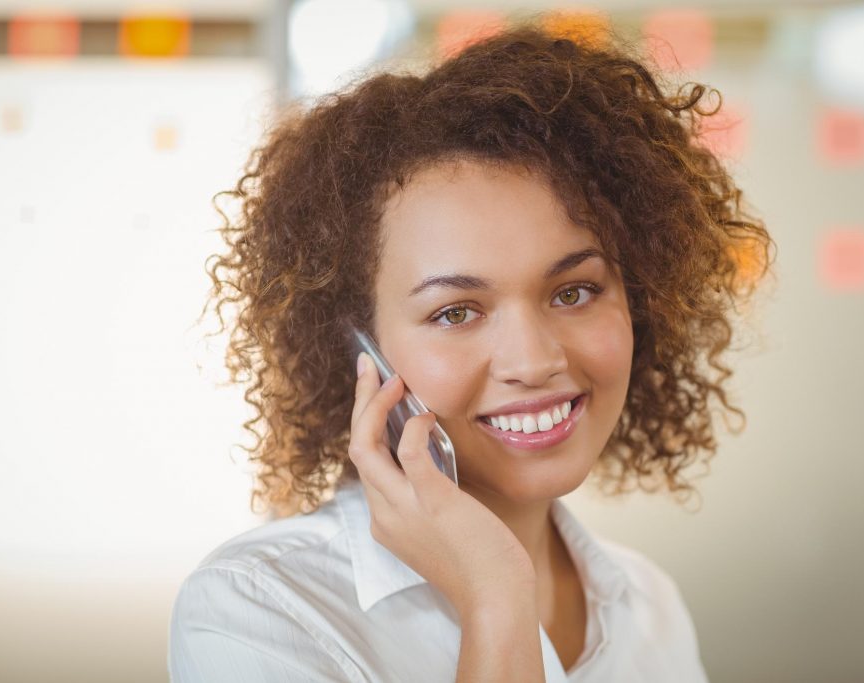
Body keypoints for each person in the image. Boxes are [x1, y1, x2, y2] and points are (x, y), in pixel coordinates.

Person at [168, 16, 774, 683]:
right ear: (357, 349)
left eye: (573, 291)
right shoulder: (261, 611)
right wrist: (496, 599)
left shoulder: (649, 605)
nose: (533, 359)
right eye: (456, 311)